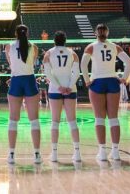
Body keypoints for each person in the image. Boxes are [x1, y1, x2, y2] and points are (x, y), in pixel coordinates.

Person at [80, 23, 130, 162]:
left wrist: (86, 80)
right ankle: (115, 152)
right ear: (107, 33)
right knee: (113, 118)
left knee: (99, 118)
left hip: (97, 82)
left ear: (96, 33)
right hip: (112, 81)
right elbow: (129, 62)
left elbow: (83, 64)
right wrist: (124, 78)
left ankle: (102, 152)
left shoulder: (91, 46)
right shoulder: (115, 46)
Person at [4, 24, 42, 164]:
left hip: (16, 81)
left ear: (15, 33)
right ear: (27, 33)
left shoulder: (8, 47)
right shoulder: (34, 47)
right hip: (29, 80)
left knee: (13, 119)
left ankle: (11, 154)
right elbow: (32, 63)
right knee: (34, 120)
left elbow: (10, 64)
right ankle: (37, 154)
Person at [42, 31, 81, 163]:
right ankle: (77, 153)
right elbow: (76, 72)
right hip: (71, 89)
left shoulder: (48, 53)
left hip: (55, 89)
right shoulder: (72, 53)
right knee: (72, 121)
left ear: (54, 41)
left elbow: (47, 73)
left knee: (55, 122)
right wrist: (69, 86)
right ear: (65, 41)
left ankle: (54, 154)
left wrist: (58, 86)